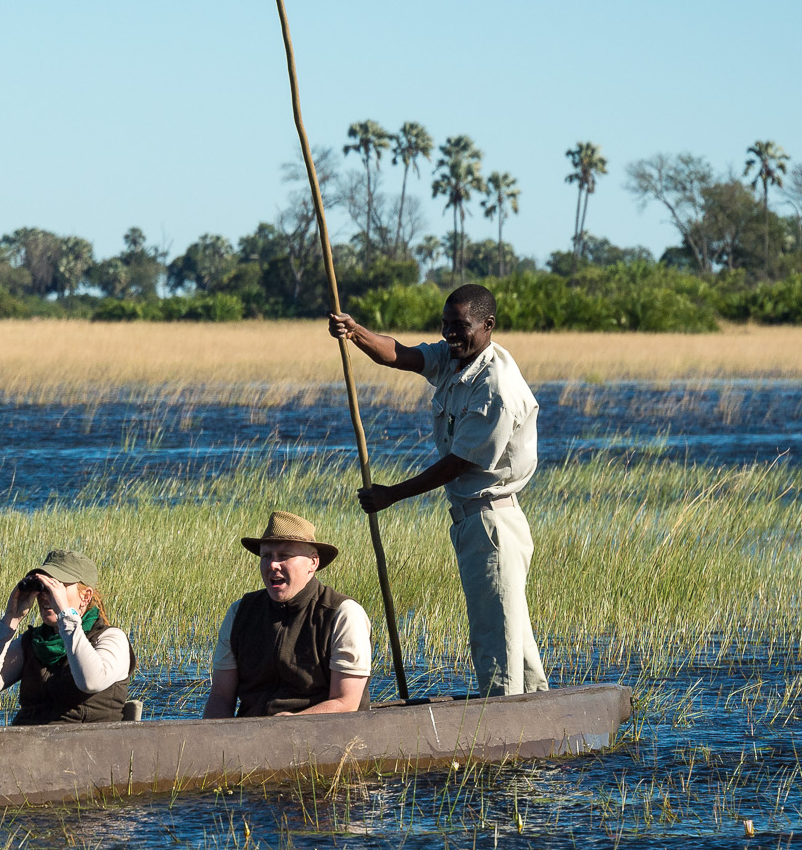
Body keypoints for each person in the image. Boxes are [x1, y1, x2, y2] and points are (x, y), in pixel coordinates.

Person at [327, 283, 549, 698]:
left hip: (492, 522)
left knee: (496, 638)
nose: (449, 334)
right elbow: (403, 354)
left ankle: (507, 726)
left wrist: (391, 494)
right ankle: (537, 710)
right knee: (509, 629)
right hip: (474, 519)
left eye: (459, 326)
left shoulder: (495, 387)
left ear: (488, 326)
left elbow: (458, 462)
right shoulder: (457, 358)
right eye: (445, 325)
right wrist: (354, 332)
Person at [202, 511, 373, 718]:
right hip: (248, 735)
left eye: (284, 556)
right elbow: (221, 696)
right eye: (266, 556)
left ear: (313, 562)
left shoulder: (343, 614)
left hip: (324, 737)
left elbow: (346, 703)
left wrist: (292, 724)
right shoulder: (240, 613)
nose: (273, 565)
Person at [0, 549, 136, 725]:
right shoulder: (33, 642)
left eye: (58, 587)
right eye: (43, 587)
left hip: (87, 748)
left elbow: (90, 682)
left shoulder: (111, 638)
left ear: (85, 596)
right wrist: (10, 620)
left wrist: (65, 616)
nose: (46, 596)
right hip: (26, 748)